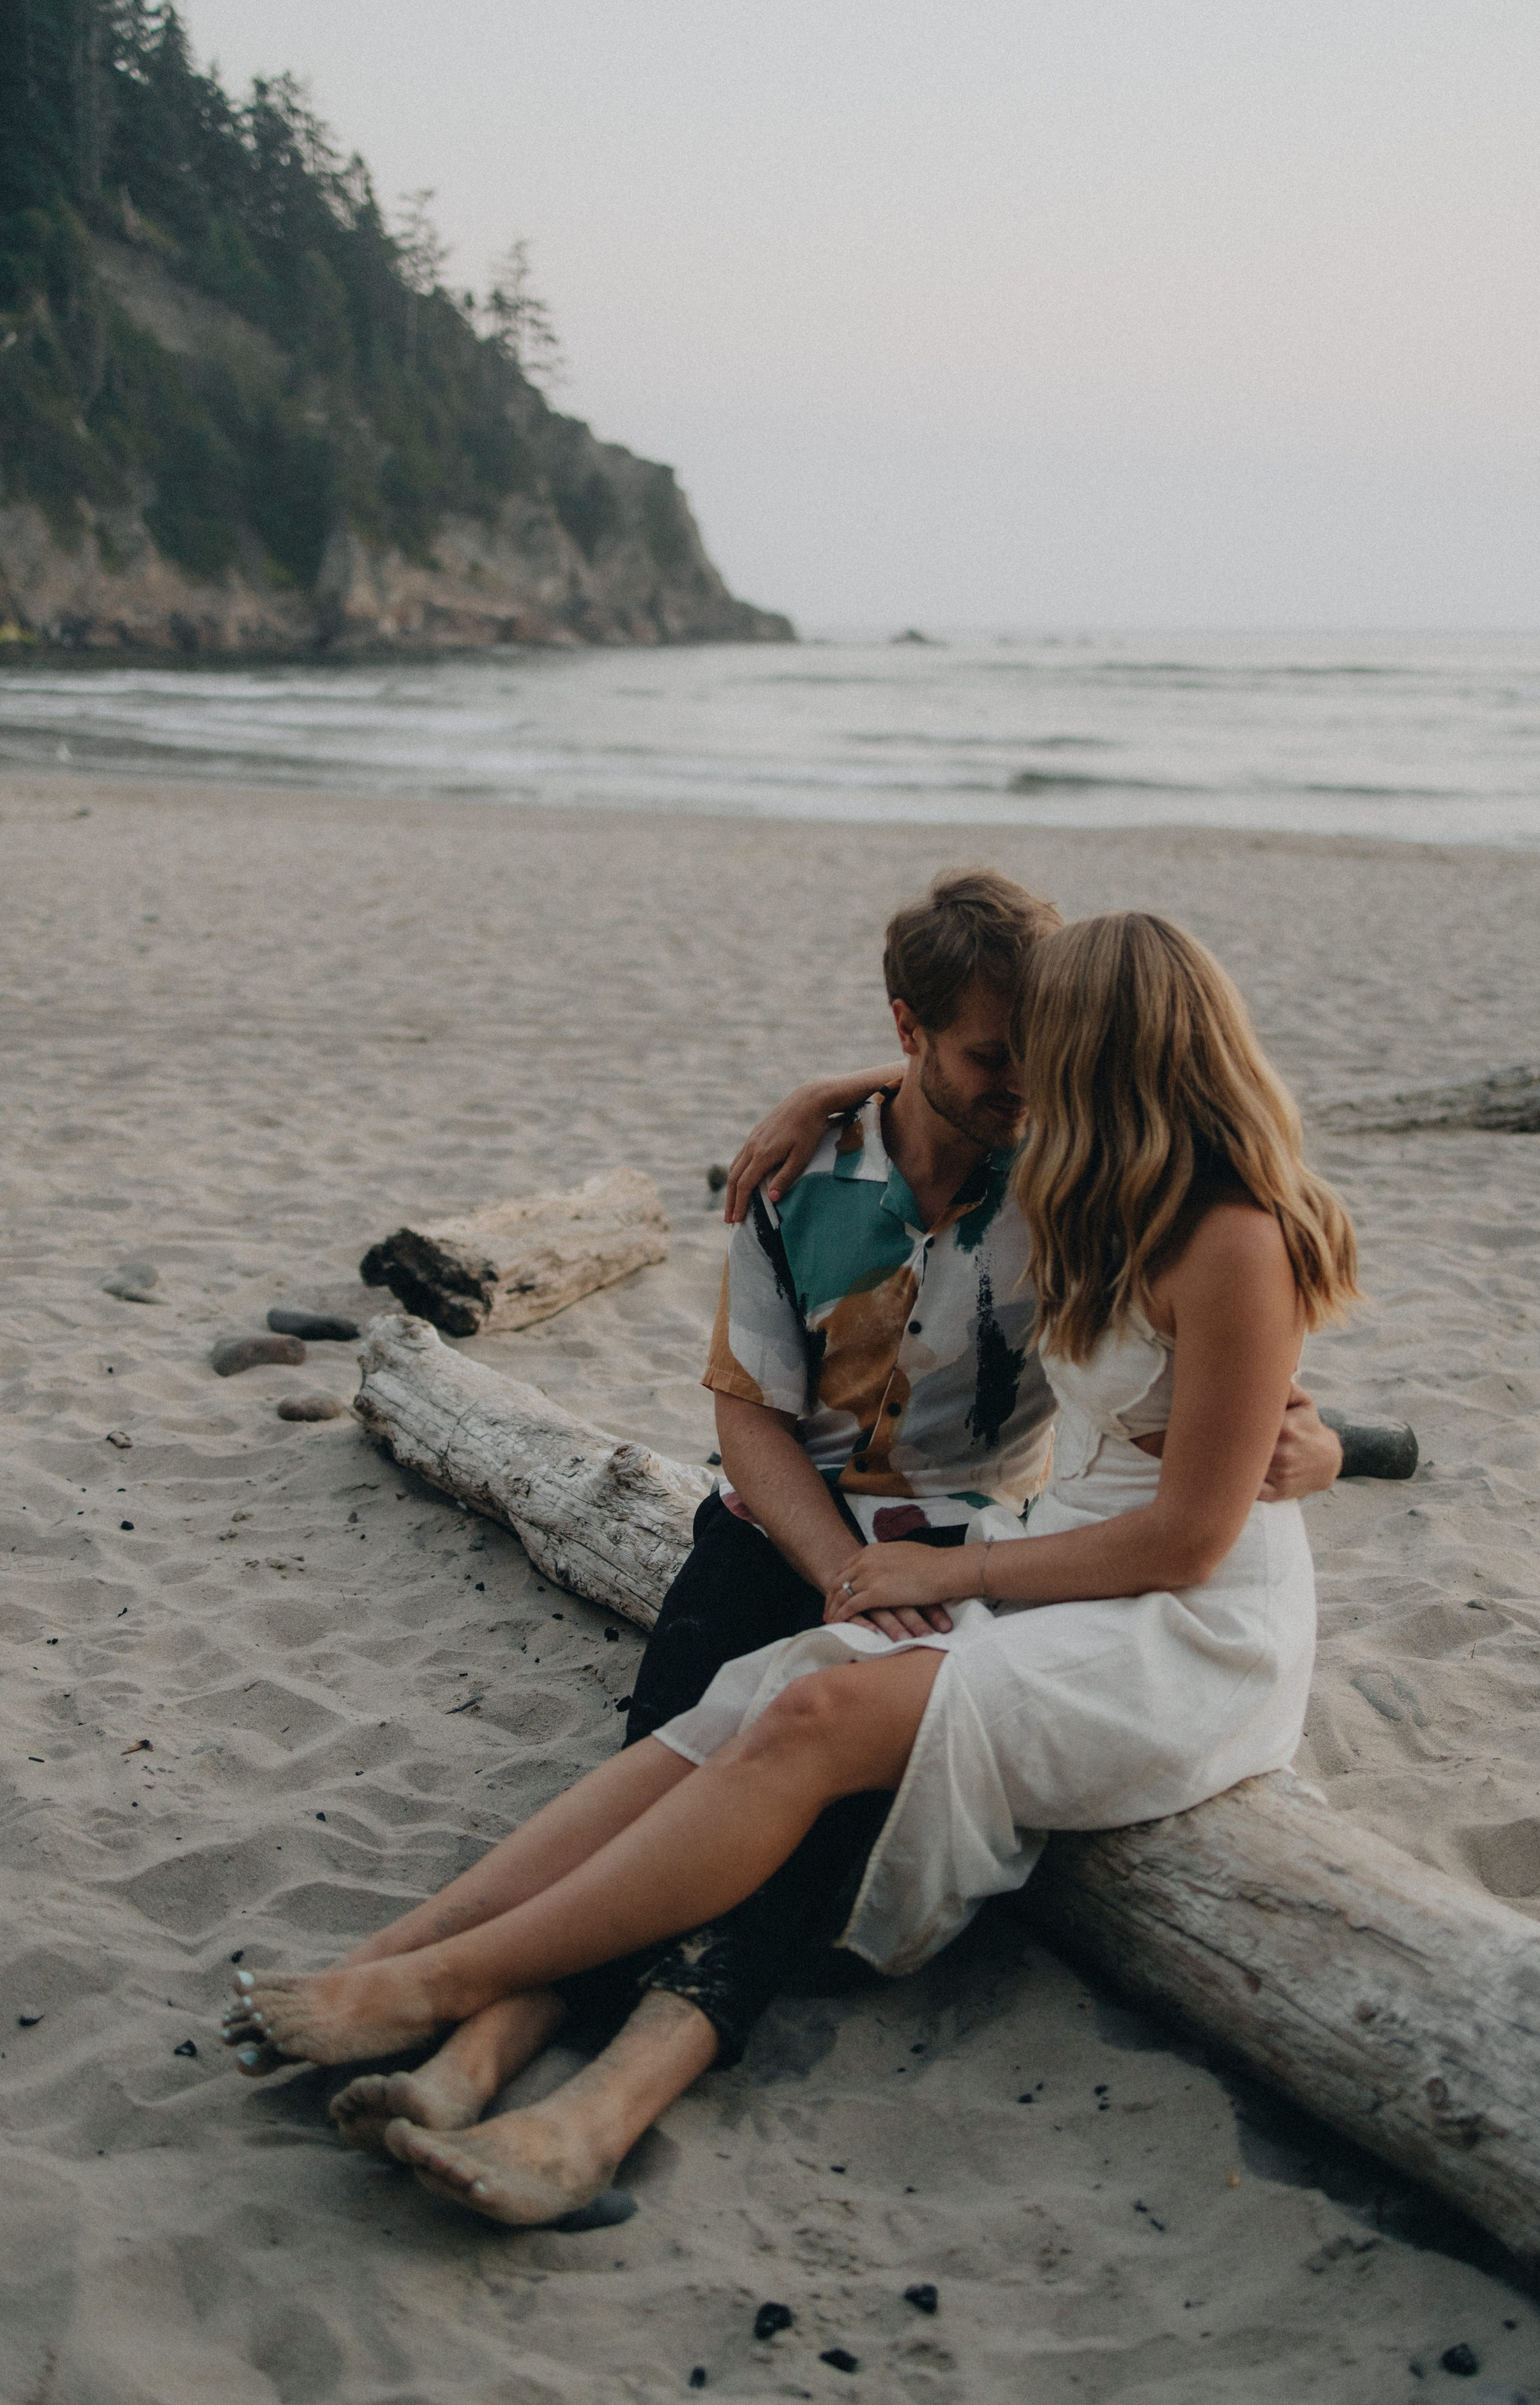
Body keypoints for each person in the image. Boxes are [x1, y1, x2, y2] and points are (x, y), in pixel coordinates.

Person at [222, 906, 1359, 2228]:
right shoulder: (1085, 1183)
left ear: (1111, 1058)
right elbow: (801, 1346)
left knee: (812, 1719)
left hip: (1172, 1623)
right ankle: (396, 1969)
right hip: (1015, 1563)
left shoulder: (1210, 1228)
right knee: (744, 1709)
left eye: (1048, 1055)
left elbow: (1193, 1529)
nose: (1026, 1084)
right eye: (1006, 1056)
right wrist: (833, 1093)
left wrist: (955, 1574)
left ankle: (477, 2025)